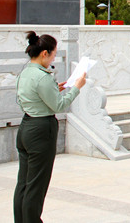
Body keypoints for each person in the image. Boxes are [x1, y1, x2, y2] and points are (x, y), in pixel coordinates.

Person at [14, 31, 86, 223]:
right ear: (44, 53)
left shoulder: (25, 72)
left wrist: (56, 89)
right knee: (36, 185)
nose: (53, 58)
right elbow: (59, 106)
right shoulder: (42, 77)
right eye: (53, 54)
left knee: (23, 183)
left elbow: (31, 96)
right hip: (40, 130)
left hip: (26, 127)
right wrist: (76, 88)